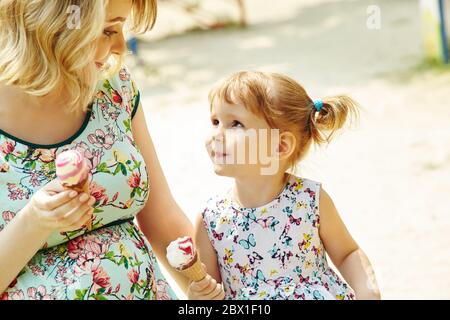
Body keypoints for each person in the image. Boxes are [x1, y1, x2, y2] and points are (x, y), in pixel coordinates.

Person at [0, 0, 220, 300]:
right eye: (107, 30)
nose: (120, 47)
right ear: (55, 21)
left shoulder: (114, 86)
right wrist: (34, 222)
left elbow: (162, 219)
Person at [188, 71, 381, 300]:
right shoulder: (211, 219)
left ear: (279, 146)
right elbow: (209, 290)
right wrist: (198, 295)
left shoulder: (309, 200)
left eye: (236, 124)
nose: (216, 135)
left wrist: (367, 290)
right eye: (215, 121)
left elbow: (348, 253)